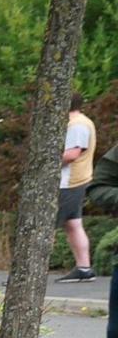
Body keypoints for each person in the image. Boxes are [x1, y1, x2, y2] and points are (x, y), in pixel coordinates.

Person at [57, 96, 98, 283]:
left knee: (43, 227)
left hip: (69, 182)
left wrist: (45, 158)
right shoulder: (81, 122)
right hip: (75, 181)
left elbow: (72, 154)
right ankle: (84, 268)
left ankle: (26, 271)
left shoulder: (76, 125)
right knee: (73, 224)